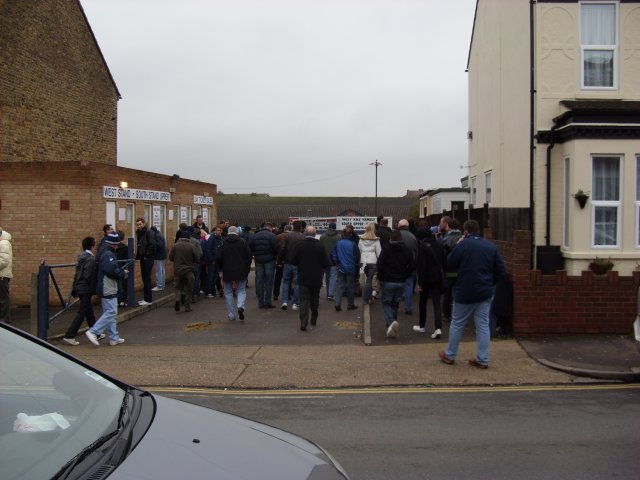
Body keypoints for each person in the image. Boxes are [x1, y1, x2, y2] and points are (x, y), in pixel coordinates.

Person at [439, 220, 506, 369]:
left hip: (465, 291)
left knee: (457, 323)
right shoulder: (491, 246)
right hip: (485, 291)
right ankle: (482, 358)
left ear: (465, 231)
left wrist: (458, 245)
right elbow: (501, 271)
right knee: (483, 325)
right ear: (479, 231)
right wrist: (491, 284)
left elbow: (450, 262)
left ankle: (450, 355)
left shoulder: (463, 245)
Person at [85, 232, 128, 346]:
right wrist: (122, 272)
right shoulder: (108, 254)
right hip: (108, 286)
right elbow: (111, 271)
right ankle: (93, 331)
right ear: (114, 244)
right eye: (117, 243)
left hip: (105, 285)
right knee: (111, 312)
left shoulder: (103, 251)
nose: (118, 246)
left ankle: (114, 337)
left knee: (110, 312)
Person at [376, 230, 415, 338]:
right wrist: (405, 275)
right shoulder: (406, 250)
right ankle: (390, 328)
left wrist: (381, 277)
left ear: (391, 238)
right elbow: (412, 265)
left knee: (386, 303)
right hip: (401, 281)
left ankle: (391, 322)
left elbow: (380, 265)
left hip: (388, 280)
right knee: (395, 304)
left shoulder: (386, 249)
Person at [291, 226, 330, 331]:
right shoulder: (320, 246)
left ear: (305, 233)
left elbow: (293, 261)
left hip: (303, 277)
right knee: (314, 298)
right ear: (315, 234)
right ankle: (314, 316)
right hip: (316, 277)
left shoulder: (299, 245)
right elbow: (326, 263)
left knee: (303, 300)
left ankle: (303, 323)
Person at [63, 236, 98, 345]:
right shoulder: (91, 259)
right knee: (82, 312)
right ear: (92, 246)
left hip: (80, 287)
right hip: (85, 288)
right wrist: (93, 288)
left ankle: (96, 332)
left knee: (88, 310)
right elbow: (88, 276)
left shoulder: (81, 258)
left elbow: (77, 274)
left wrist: (74, 287)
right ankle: (70, 335)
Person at [413, 229, 446, 339]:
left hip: (426, 279)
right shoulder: (440, 245)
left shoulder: (422, 247)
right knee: (437, 303)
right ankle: (438, 328)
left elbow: (421, 266)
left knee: (423, 302)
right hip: (437, 278)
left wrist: (419, 282)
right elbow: (445, 262)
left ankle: (422, 325)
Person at [216, 226, 252, 321]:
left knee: (228, 292)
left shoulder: (223, 242)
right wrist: (246, 267)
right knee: (241, 290)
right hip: (241, 270)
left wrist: (221, 268)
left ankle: (231, 314)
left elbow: (218, 257)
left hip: (227, 270)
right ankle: (240, 306)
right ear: (237, 232)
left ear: (228, 232)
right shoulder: (243, 242)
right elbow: (249, 256)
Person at [170, 230, 201, 312]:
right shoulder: (192, 246)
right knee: (189, 289)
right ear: (188, 238)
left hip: (178, 270)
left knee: (177, 287)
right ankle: (187, 307)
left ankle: (177, 299)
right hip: (189, 271)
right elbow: (197, 258)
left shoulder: (175, 246)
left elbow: (170, 257)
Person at [438, 216, 463, 321]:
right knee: (459, 292)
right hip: (460, 270)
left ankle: (446, 315)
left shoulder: (445, 238)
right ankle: (458, 314)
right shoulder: (463, 238)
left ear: (448, 226)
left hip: (448, 270)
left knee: (447, 293)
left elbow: (441, 253)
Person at [331, 226, 360, 311]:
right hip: (351, 268)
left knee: (340, 286)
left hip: (341, 268)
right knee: (350, 287)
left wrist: (336, 263)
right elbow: (357, 257)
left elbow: (333, 254)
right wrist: (356, 266)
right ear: (351, 234)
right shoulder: (353, 244)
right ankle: (350, 305)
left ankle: (337, 304)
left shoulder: (338, 243)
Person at [277, 220, 305, 310]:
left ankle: (284, 301)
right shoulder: (302, 237)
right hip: (298, 263)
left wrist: (280, 260)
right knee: (297, 283)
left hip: (287, 262)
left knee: (286, 282)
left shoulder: (288, 236)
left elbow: (282, 248)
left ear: (293, 227)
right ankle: (295, 303)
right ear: (300, 227)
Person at [250, 222, 278, 308]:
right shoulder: (272, 236)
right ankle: (268, 302)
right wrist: (274, 256)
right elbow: (276, 248)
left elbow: (250, 246)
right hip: (269, 260)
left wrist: (255, 255)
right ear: (270, 228)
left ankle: (260, 303)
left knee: (259, 281)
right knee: (269, 282)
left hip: (258, 261)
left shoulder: (255, 235)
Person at [397, 219, 418, 315]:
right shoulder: (413, 237)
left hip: (397, 265)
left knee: (396, 286)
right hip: (410, 265)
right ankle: (408, 307)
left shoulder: (396, 235)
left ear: (399, 226)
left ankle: (395, 307)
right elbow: (416, 252)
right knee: (409, 285)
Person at [135, 217, 156, 306]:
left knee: (146, 278)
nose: (139, 226)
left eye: (140, 224)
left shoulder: (149, 232)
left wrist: (147, 255)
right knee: (144, 278)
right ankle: (146, 298)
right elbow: (140, 245)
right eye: (137, 224)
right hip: (143, 257)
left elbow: (152, 245)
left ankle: (148, 299)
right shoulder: (139, 232)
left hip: (148, 258)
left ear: (144, 224)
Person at [359, 223, 381, 304]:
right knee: (369, 280)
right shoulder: (376, 239)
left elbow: (359, 250)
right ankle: (367, 298)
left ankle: (368, 298)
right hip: (372, 261)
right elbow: (379, 253)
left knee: (367, 279)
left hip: (363, 261)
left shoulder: (361, 239)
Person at [319, 222, 340, 301]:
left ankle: (328, 293)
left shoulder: (322, 236)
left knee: (327, 277)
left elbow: (320, 248)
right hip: (334, 260)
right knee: (332, 277)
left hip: (324, 260)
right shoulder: (338, 237)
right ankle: (330, 294)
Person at [0, 227, 14, 323]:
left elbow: (4, 261)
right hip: (2, 275)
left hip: (2, 275)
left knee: (3, 298)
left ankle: (4, 320)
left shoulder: (3, 243)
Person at [115, 230, 130, 307]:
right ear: (123, 238)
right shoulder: (125, 248)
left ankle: (117, 301)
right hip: (123, 268)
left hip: (115, 268)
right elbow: (128, 258)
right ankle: (123, 301)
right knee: (124, 285)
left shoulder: (113, 248)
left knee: (117, 285)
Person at [151, 226, 167, 291]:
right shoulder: (159, 234)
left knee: (159, 271)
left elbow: (159, 245)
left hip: (159, 256)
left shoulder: (157, 236)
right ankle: (162, 285)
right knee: (162, 270)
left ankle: (159, 286)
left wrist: (153, 245)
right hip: (162, 255)